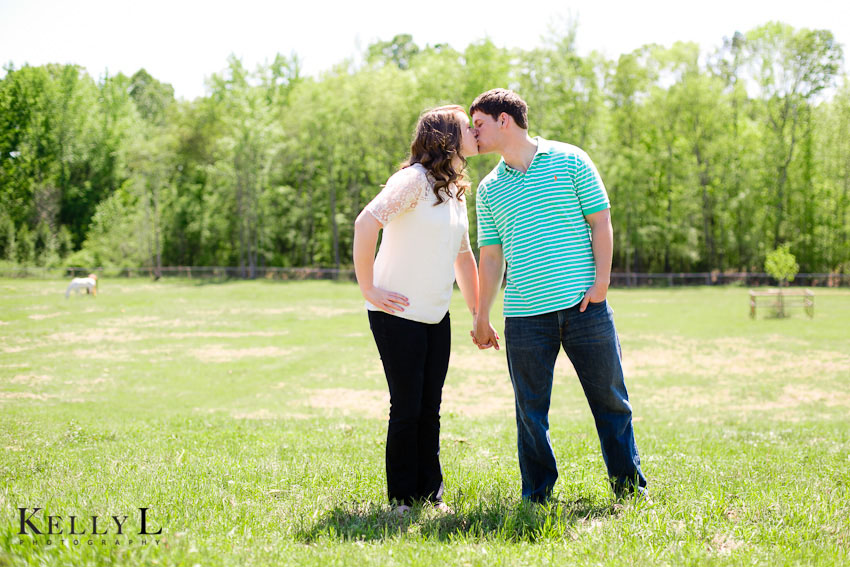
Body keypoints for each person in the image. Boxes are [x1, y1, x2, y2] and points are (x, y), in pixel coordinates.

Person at [469, 89, 647, 502]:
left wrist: (601, 282)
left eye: (478, 125)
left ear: (504, 121)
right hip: (526, 318)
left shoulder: (571, 159)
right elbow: (491, 258)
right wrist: (481, 314)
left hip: (586, 310)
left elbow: (600, 223)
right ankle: (537, 495)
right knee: (530, 414)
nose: (473, 134)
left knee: (612, 402)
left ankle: (628, 489)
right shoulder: (490, 188)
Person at [353, 105, 480, 514]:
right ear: (446, 137)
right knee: (407, 406)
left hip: (435, 315)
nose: (475, 131)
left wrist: (479, 313)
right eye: (467, 127)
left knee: (430, 406)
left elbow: (464, 257)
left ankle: (430, 494)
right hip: (396, 313)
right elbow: (365, 223)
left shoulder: (456, 190)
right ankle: (401, 500)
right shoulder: (412, 181)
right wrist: (369, 287)